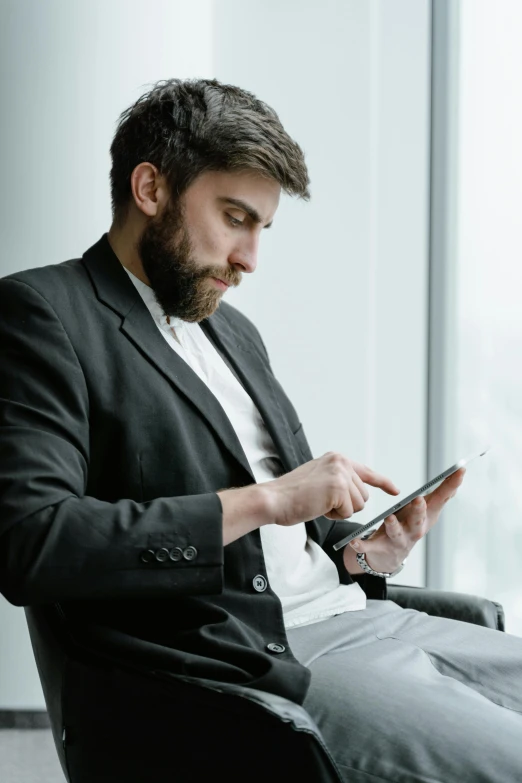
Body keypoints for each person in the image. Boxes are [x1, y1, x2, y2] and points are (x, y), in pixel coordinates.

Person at [0, 78, 521, 783]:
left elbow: (291, 544)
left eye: (261, 229)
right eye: (234, 217)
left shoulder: (232, 332)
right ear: (150, 188)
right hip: (265, 660)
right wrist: (265, 499)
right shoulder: (44, 314)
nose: (250, 259)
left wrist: (366, 556)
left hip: (364, 616)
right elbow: (33, 542)